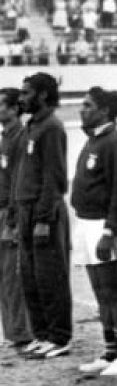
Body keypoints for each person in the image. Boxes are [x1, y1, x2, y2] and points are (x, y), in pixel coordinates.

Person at [71, 88, 117, 377]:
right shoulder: (94, 141)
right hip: (85, 222)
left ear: (104, 111)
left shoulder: (115, 143)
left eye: (88, 106)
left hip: (105, 225)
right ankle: (110, 351)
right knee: (100, 291)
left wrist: (111, 231)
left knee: (114, 291)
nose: (81, 110)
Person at [16, 72, 72, 358]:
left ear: (42, 95)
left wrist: (43, 218)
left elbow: (54, 177)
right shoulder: (31, 127)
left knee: (50, 276)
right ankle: (42, 334)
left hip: (43, 213)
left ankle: (60, 337)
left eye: (26, 93)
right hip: (25, 211)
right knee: (30, 277)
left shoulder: (52, 127)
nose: (21, 98)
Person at [0, 89, 32, 353]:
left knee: (13, 274)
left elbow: (17, 181)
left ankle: (22, 331)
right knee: (3, 274)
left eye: (2, 105)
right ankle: (11, 330)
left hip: (10, 212)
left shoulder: (21, 138)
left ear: (14, 109)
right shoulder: (4, 138)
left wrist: (12, 218)